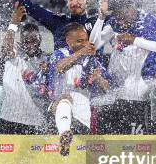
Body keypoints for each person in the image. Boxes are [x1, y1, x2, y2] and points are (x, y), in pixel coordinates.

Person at [89, 0, 156, 134]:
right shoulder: (115, 22)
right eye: (116, 16)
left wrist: (135, 40)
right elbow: (92, 46)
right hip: (113, 92)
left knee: (136, 143)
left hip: (136, 95)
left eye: (122, 16)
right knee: (110, 140)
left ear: (130, 8)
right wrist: (101, 18)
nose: (120, 21)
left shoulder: (148, 21)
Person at [47, 23, 111, 154]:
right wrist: (81, 52)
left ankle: (66, 137)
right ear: (68, 41)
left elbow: (107, 87)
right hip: (59, 110)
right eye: (80, 41)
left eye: (86, 40)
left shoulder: (92, 60)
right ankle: (64, 133)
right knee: (65, 99)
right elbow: (60, 67)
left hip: (82, 113)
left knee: (79, 155)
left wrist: (98, 78)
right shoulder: (59, 53)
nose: (85, 44)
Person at [0, 3, 49, 134]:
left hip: (35, 119)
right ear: (21, 41)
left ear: (40, 40)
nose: (31, 45)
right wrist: (13, 23)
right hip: (10, 117)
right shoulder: (15, 51)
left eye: (34, 41)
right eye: (27, 41)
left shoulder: (46, 60)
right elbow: (6, 49)